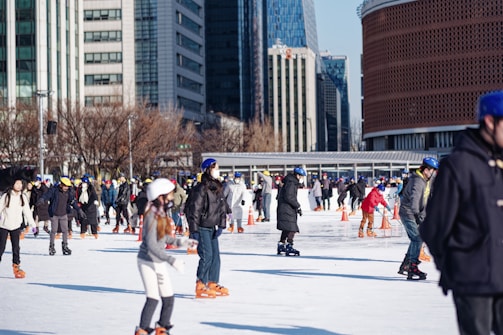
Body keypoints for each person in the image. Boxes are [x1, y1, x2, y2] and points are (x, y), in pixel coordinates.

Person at [420, 91, 503, 334]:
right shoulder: (458, 166)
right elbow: (434, 227)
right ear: (490, 121)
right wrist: (455, 267)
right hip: (473, 280)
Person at [135, 178, 197, 335]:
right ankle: (142, 330)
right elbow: (151, 245)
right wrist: (172, 260)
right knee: (153, 297)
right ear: (159, 196)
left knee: (168, 298)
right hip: (147, 261)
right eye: (169, 195)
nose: (171, 199)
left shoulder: (161, 214)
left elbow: (163, 239)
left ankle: (162, 327)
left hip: (159, 259)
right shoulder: (151, 216)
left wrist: (182, 242)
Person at [186, 158, 229, 298]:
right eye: (215, 168)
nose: (218, 171)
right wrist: (194, 230)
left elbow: (222, 207)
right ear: (208, 170)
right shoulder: (201, 188)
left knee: (216, 257)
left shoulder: (217, 187)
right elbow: (194, 210)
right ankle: (200, 283)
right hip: (202, 227)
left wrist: (222, 225)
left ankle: (212, 282)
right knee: (207, 256)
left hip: (212, 227)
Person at [397, 156, 439, 280]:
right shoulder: (418, 182)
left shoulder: (426, 180)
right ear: (426, 170)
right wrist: (418, 216)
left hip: (415, 213)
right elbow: (414, 201)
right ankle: (412, 267)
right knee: (417, 238)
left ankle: (406, 265)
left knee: (416, 238)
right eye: (433, 170)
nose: (433, 173)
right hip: (408, 213)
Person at [37, 176, 84, 256]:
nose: (66, 188)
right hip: (54, 214)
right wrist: (42, 199)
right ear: (61, 184)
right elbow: (47, 195)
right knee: (54, 231)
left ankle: (65, 246)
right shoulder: (54, 190)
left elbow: (73, 202)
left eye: (67, 186)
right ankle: (51, 247)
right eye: (65, 186)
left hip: (64, 214)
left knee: (65, 231)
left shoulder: (68, 192)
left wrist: (79, 210)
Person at [0, 178, 36, 278]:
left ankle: (16, 267)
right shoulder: (6, 196)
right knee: (1, 248)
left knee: (16, 248)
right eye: (17, 183)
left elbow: (27, 212)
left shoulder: (22, 197)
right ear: (12, 184)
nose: (19, 185)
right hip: (3, 225)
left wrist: (33, 225)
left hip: (16, 226)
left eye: (21, 183)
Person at [276, 166, 306, 256]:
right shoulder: (291, 183)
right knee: (292, 228)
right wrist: (298, 206)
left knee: (287, 227)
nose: (302, 179)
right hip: (287, 208)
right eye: (301, 176)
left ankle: (281, 244)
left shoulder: (289, 182)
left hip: (285, 208)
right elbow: (289, 197)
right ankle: (289, 245)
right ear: (297, 175)